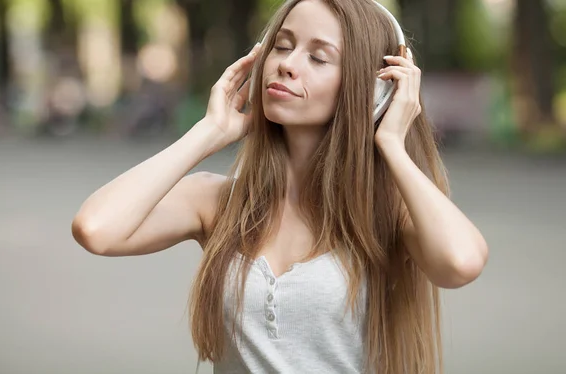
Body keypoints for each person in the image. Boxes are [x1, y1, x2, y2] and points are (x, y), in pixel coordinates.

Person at [71, 0, 489, 373]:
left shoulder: (388, 213)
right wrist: (208, 131)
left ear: (375, 91)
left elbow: (461, 262)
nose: (287, 64)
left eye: (319, 58)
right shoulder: (217, 202)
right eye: (283, 45)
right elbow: (96, 228)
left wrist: (392, 143)